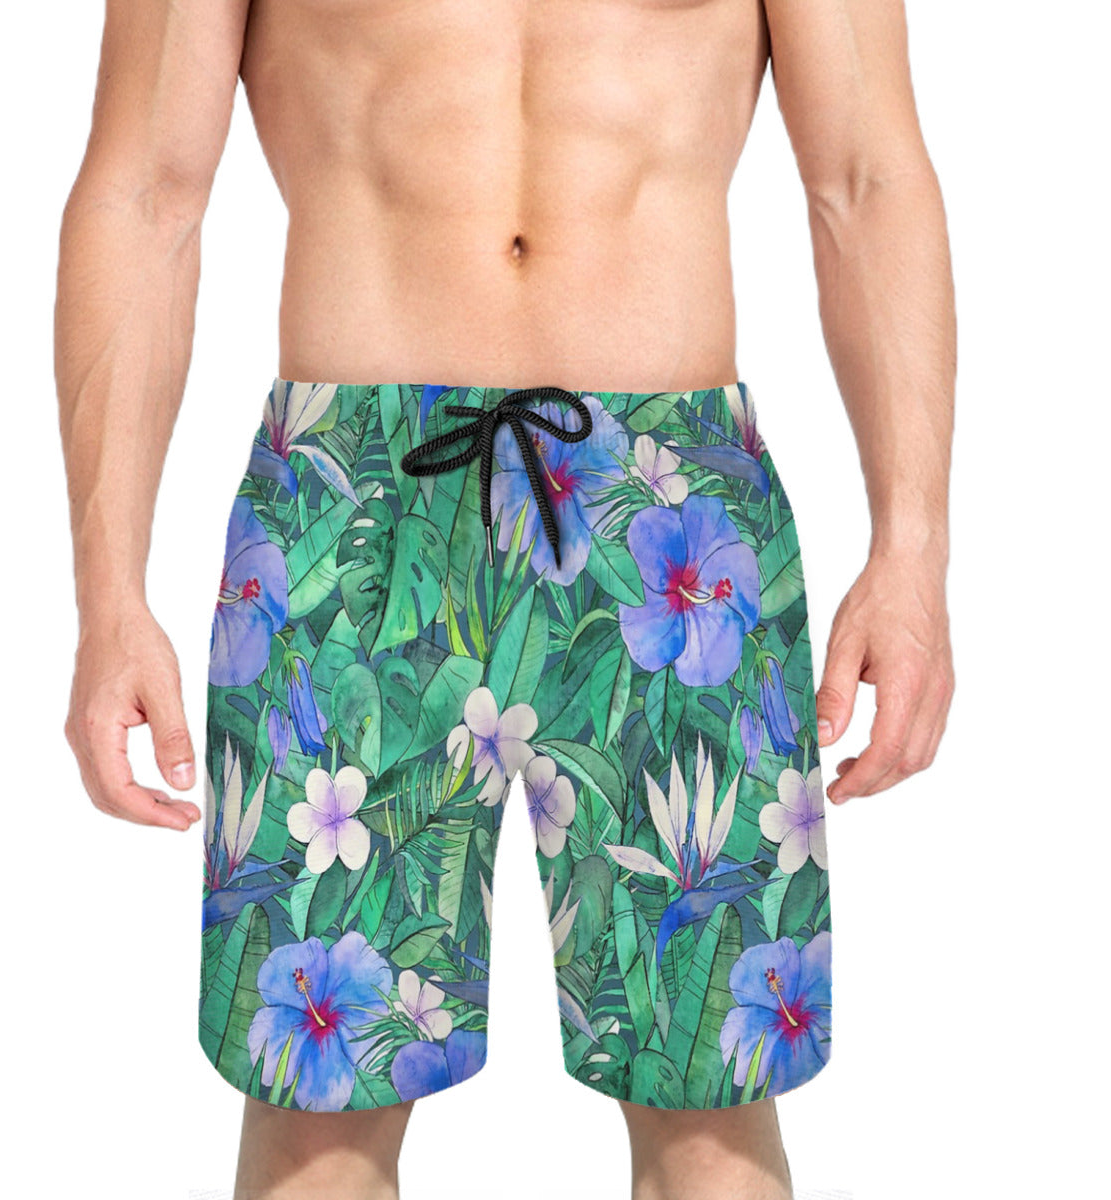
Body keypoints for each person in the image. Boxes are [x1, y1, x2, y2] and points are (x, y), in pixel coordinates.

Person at [55, 1, 955, 1197]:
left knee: (709, 1110)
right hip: (352, 504)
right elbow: (143, 193)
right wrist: (108, 595)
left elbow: (867, 178)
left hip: (670, 520)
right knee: (316, 1122)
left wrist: (914, 553)